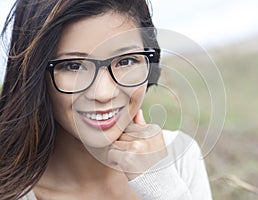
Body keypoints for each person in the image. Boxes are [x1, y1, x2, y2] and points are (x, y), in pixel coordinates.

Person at [0, 0, 212, 199]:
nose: (103, 94)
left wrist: (161, 186)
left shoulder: (178, 155)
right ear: (34, 76)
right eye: (74, 66)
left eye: (126, 61)